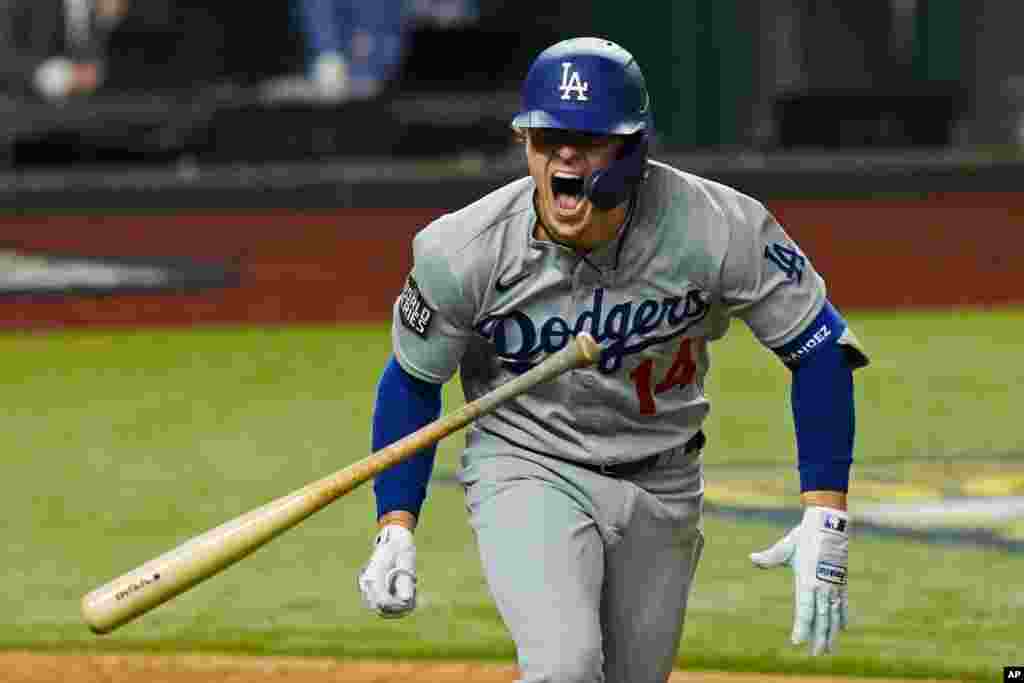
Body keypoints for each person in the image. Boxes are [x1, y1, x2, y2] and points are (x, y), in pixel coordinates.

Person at [357, 36, 870, 682]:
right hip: (528, 464)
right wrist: (395, 523)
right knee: (566, 668)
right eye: (547, 139)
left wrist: (826, 511)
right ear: (525, 147)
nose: (565, 154)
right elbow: (413, 378)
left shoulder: (717, 228)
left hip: (664, 482)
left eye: (589, 138)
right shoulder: (464, 250)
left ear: (633, 151)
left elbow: (819, 348)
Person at [0, 0, 131, 102]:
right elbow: (6, 58)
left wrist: (107, 20)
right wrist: (59, 76)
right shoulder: (18, 5)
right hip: (28, 109)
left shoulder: (107, 7)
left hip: (100, 114)